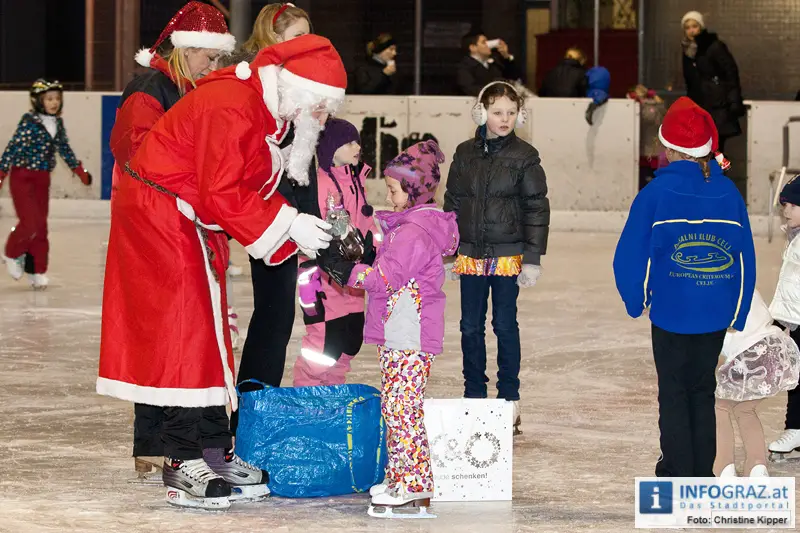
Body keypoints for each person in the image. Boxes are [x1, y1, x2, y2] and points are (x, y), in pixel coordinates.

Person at [97, 34, 346, 510]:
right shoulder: (235, 104)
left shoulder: (260, 110)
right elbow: (221, 191)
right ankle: (181, 455)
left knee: (211, 332)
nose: (319, 118)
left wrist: (293, 229)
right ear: (295, 88)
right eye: (317, 105)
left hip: (188, 214)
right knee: (185, 332)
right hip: (161, 214)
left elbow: (241, 186)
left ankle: (213, 449)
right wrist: (289, 223)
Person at [109, 0, 235, 485]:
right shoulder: (150, 90)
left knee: (179, 333)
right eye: (209, 56)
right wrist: (201, 194)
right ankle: (164, 446)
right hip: (157, 229)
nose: (212, 66)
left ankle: (173, 444)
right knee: (172, 333)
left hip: (181, 223)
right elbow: (140, 159)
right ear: (185, 49)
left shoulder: (184, 88)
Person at [613, 96, 756, 477]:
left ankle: (676, 471)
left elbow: (630, 255)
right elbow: (744, 257)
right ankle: (700, 473)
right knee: (702, 390)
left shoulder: (655, 194)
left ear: (668, 148)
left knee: (674, 392)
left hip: (671, 313)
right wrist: (738, 310)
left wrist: (635, 299)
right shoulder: (729, 194)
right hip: (715, 314)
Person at [317, 140, 458, 517]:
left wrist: (347, 271)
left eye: (394, 189)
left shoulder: (415, 232)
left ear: (413, 191)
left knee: (403, 407)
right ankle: (400, 476)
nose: (388, 196)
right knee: (395, 406)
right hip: (398, 330)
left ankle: (414, 483)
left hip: (410, 333)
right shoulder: (406, 228)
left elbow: (385, 278)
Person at [444, 81, 550, 436]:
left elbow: (536, 208)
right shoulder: (464, 153)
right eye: (497, 112)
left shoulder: (525, 156)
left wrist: (532, 257)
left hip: (507, 255)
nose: (505, 119)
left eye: (511, 112)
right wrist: (449, 250)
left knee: (504, 325)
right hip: (471, 255)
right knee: (469, 327)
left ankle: (508, 399)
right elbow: (453, 202)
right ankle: (474, 395)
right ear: (481, 112)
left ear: (520, 115)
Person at [228, 2, 315, 434]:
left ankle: (254, 409)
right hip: (264, 211)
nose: (305, 43)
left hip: (288, 210)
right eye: (296, 35)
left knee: (277, 315)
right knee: (274, 314)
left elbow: (304, 157)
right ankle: (250, 412)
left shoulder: (296, 81)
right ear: (273, 36)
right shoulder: (258, 81)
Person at [294, 118, 376, 386]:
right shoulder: (318, 184)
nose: (357, 147)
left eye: (357, 141)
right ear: (331, 147)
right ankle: (307, 395)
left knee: (349, 339)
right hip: (319, 275)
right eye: (349, 142)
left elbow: (364, 222)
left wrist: (372, 249)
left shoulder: (355, 179)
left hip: (350, 276)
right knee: (323, 343)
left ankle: (332, 393)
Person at [0, 79, 92, 290]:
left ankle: (37, 270)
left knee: (41, 227)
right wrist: (2, 172)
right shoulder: (29, 121)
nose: (54, 103)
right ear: (38, 101)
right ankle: (12, 253)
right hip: (22, 177)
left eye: (57, 99)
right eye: (49, 99)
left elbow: (64, 149)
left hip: (42, 179)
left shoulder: (57, 124)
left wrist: (79, 171)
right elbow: (13, 148)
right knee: (30, 222)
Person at [715, 290, 800, 477]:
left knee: (719, 407)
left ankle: (724, 468)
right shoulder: (744, 284)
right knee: (745, 409)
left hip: (749, 355)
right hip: (774, 348)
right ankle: (757, 467)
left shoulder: (711, 291)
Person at [767, 177, 800, 461]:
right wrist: (780, 319)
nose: (785, 211)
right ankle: (795, 429)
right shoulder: (795, 237)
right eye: (783, 205)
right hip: (795, 317)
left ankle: (795, 428)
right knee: (796, 376)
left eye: (791, 205)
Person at [681, 10, 744, 152]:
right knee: (703, 148)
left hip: (718, 104)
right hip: (700, 105)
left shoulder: (714, 46)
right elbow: (690, 80)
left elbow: (730, 73)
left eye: (695, 26)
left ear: (701, 27)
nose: (691, 31)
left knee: (715, 147)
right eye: (687, 27)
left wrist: (734, 101)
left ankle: (718, 167)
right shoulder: (688, 51)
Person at [456, 32, 521, 96]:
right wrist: (497, 91)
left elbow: (513, 77)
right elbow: (470, 88)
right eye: (484, 42)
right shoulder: (464, 66)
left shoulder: (494, 63)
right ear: (473, 47)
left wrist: (506, 56)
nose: (488, 45)